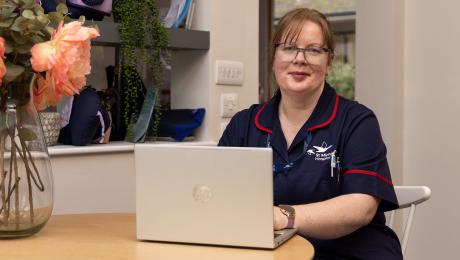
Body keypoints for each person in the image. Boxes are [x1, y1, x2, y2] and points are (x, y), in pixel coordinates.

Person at [218, 8, 403, 260]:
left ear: (329, 63)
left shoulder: (357, 121)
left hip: (349, 253)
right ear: (273, 58)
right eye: (288, 47)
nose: (299, 59)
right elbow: (219, 194)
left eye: (313, 50)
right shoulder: (245, 124)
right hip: (270, 252)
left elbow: (361, 207)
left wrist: (282, 216)